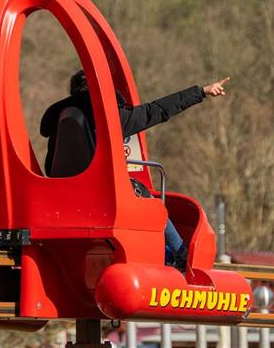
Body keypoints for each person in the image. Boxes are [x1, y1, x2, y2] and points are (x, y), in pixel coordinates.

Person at [39, 70, 230, 270]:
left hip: (62, 195)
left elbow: (50, 165)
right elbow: (156, 110)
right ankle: (181, 254)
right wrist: (201, 92)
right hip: (101, 194)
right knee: (152, 205)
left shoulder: (63, 117)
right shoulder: (110, 116)